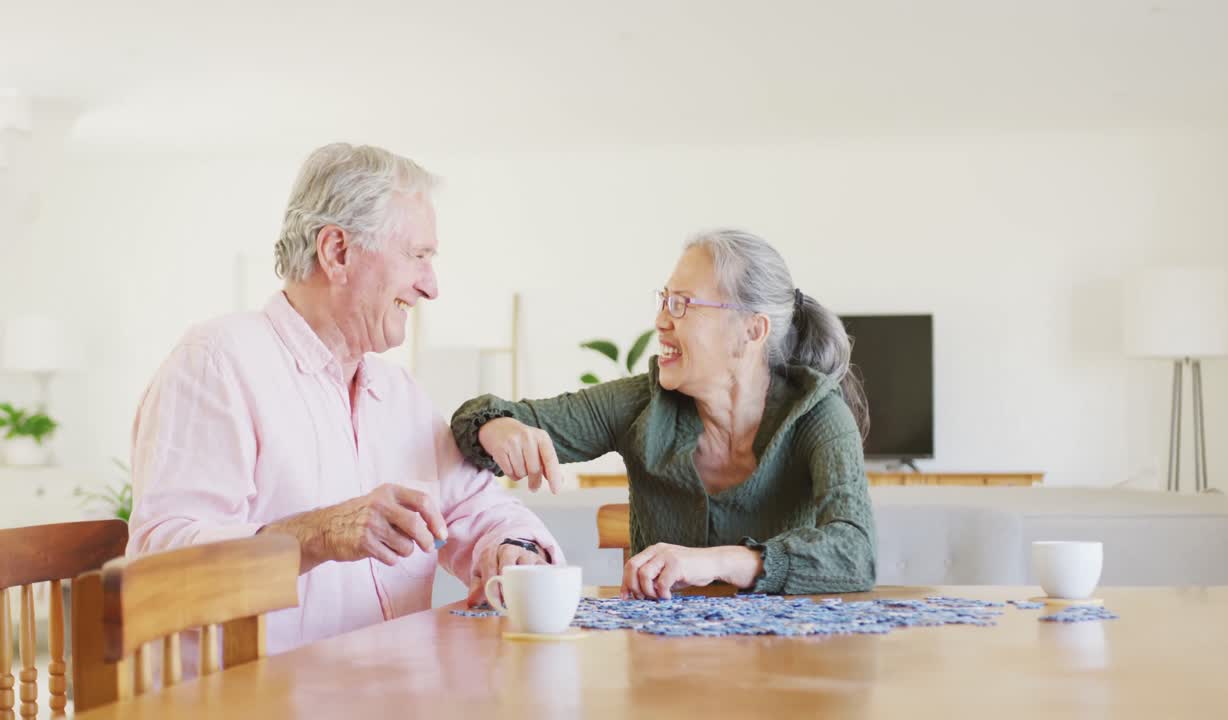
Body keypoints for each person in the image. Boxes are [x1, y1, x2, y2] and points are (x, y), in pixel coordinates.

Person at [128, 143, 562, 654]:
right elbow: (159, 564)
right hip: (255, 692)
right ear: (337, 252)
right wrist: (319, 535)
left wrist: (514, 547)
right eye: (418, 256)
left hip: (389, 685)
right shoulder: (216, 362)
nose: (430, 286)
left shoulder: (398, 394)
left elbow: (477, 508)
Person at [451, 229, 875, 599]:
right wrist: (496, 427)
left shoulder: (817, 415)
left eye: (682, 304)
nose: (660, 321)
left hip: (786, 657)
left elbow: (855, 553)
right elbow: (475, 419)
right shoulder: (640, 404)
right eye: (665, 301)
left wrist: (718, 562)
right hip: (661, 658)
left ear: (752, 330)